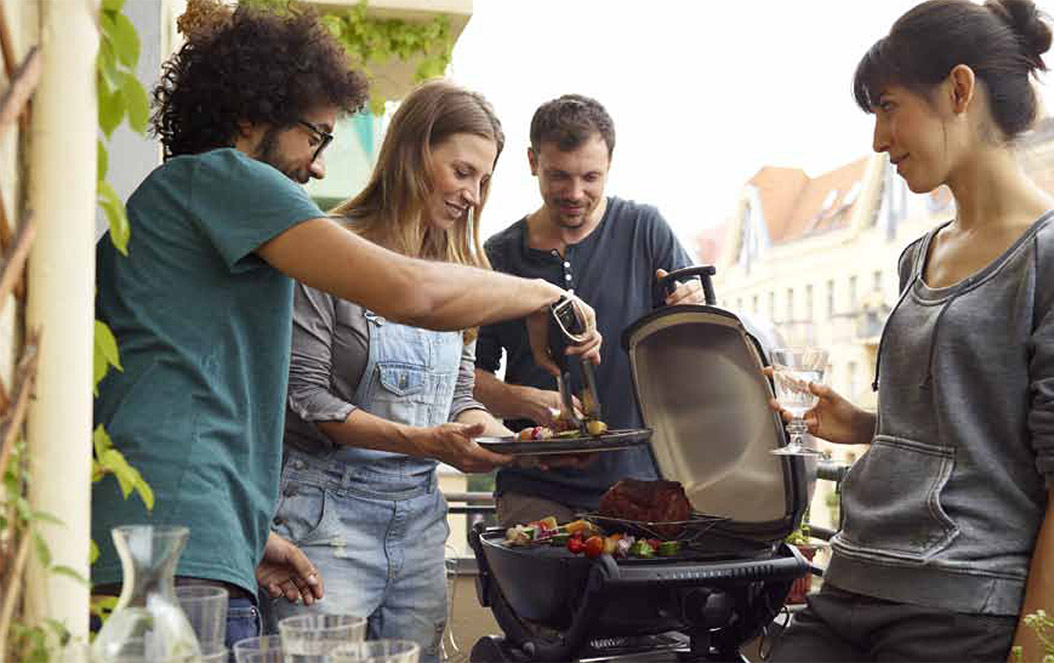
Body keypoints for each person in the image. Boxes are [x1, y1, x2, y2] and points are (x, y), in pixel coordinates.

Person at [91, 5, 599, 652]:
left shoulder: (182, 200)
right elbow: (409, 291)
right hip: (179, 542)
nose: (319, 166)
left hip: (193, 533)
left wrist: (250, 534)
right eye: (315, 135)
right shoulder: (226, 178)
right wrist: (541, 294)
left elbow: (191, 381)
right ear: (249, 118)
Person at [767, 1, 1054, 661]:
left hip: (957, 611)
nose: (878, 139)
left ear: (958, 90)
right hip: (848, 578)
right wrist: (866, 423)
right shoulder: (919, 254)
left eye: (887, 106)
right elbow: (969, 430)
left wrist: (1033, 653)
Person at [265, 79, 517, 663]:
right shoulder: (326, 248)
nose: (473, 195)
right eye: (461, 172)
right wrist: (422, 440)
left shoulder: (458, 271)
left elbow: (458, 397)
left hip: (422, 524)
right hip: (325, 518)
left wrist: (515, 442)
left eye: (483, 180)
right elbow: (304, 397)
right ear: (412, 153)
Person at [473, 94, 702, 527]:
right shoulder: (498, 255)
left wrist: (696, 307)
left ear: (610, 164)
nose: (575, 193)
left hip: (638, 486)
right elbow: (467, 376)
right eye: (559, 176)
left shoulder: (645, 229)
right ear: (531, 161)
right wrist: (525, 399)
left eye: (590, 177)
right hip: (533, 488)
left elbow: (695, 344)